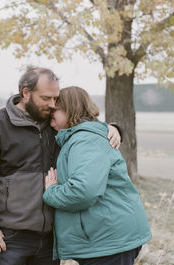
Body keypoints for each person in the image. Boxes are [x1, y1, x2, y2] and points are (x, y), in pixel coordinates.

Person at [0, 66, 122, 265]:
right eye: (46, 98)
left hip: (49, 238)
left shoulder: (55, 123)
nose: (52, 104)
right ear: (26, 93)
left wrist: (113, 127)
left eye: (55, 98)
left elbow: (87, 126)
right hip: (9, 237)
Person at [43, 86, 152, 265]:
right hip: (106, 238)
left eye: (55, 109)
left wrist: (51, 192)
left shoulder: (85, 141)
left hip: (110, 241)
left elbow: (83, 191)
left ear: (71, 109)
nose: (50, 113)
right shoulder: (79, 138)